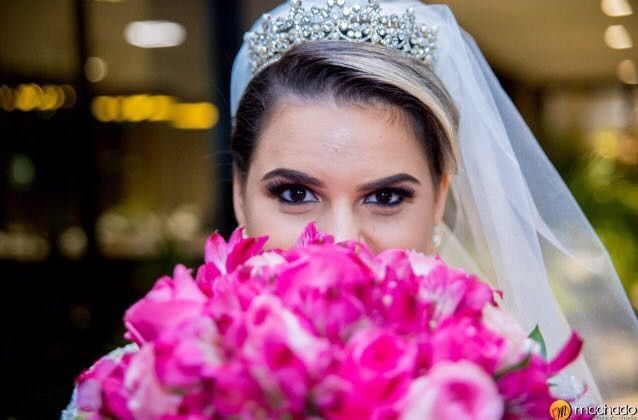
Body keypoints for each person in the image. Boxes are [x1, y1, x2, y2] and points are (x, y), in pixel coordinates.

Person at [63, 0, 638, 416]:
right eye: (294, 194)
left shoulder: (517, 392)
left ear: (439, 197)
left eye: (386, 197)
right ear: (239, 192)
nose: (341, 242)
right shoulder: (145, 389)